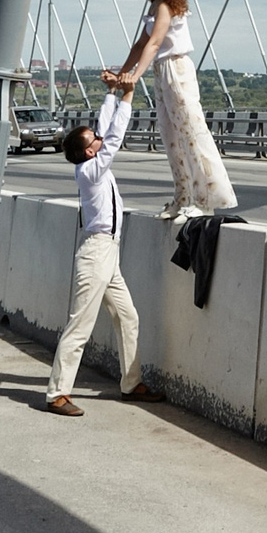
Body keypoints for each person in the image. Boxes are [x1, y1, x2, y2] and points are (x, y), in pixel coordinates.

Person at [46, 88, 156, 416]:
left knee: (127, 316)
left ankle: (131, 384)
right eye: (94, 138)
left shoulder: (92, 165)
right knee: (80, 325)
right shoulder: (91, 172)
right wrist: (128, 97)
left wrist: (112, 94)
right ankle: (56, 394)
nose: (99, 137)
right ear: (90, 152)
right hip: (96, 254)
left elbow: (105, 129)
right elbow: (114, 137)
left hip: (109, 253)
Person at [104, 0, 237, 219]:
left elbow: (154, 44)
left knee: (190, 133)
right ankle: (183, 196)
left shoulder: (166, 6)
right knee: (171, 137)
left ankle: (204, 199)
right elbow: (139, 46)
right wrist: (120, 76)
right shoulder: (154, 7)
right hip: (162, 72)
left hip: (176, 69)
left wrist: (135, 76)